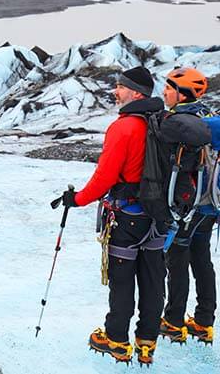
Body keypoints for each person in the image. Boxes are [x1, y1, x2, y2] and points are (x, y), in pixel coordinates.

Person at [59, 66, 165, 365]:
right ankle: (147, 342)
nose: (116, 92)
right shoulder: (161, 122)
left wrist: (77, 199)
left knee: (122, 280)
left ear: (136, 93)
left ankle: (117, 340)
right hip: (158, 215)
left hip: (127, 216)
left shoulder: (124, 127)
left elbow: (105, 176)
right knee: (153, 279)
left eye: (120, 87)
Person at [159, 67, 217, 345]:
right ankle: (205, 321)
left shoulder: (178, 122)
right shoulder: (209, 117)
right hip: (211, 204)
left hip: (187, 205)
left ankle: (173, 321)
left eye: (170, 88)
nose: (165, 92)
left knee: (178, 260)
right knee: (202, 259)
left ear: (183, 94)